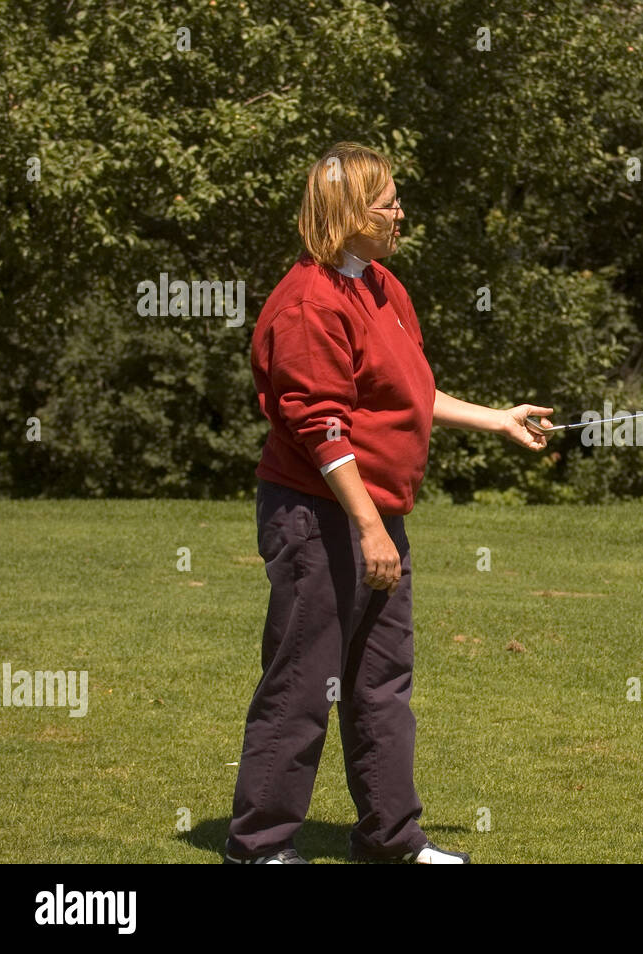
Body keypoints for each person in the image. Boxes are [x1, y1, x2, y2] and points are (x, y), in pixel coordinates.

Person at [225, 142, 554, 864]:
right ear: (348, 211)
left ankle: (390, 840)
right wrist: (369, 527)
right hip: (319, 515)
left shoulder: (381, 286)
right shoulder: (310, 303)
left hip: (375, 515)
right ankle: (260, 845)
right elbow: (322, 428)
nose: (401, 213)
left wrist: (496, 418)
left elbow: (409, 391)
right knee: (305, 681)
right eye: (388, 204)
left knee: (381, 682)